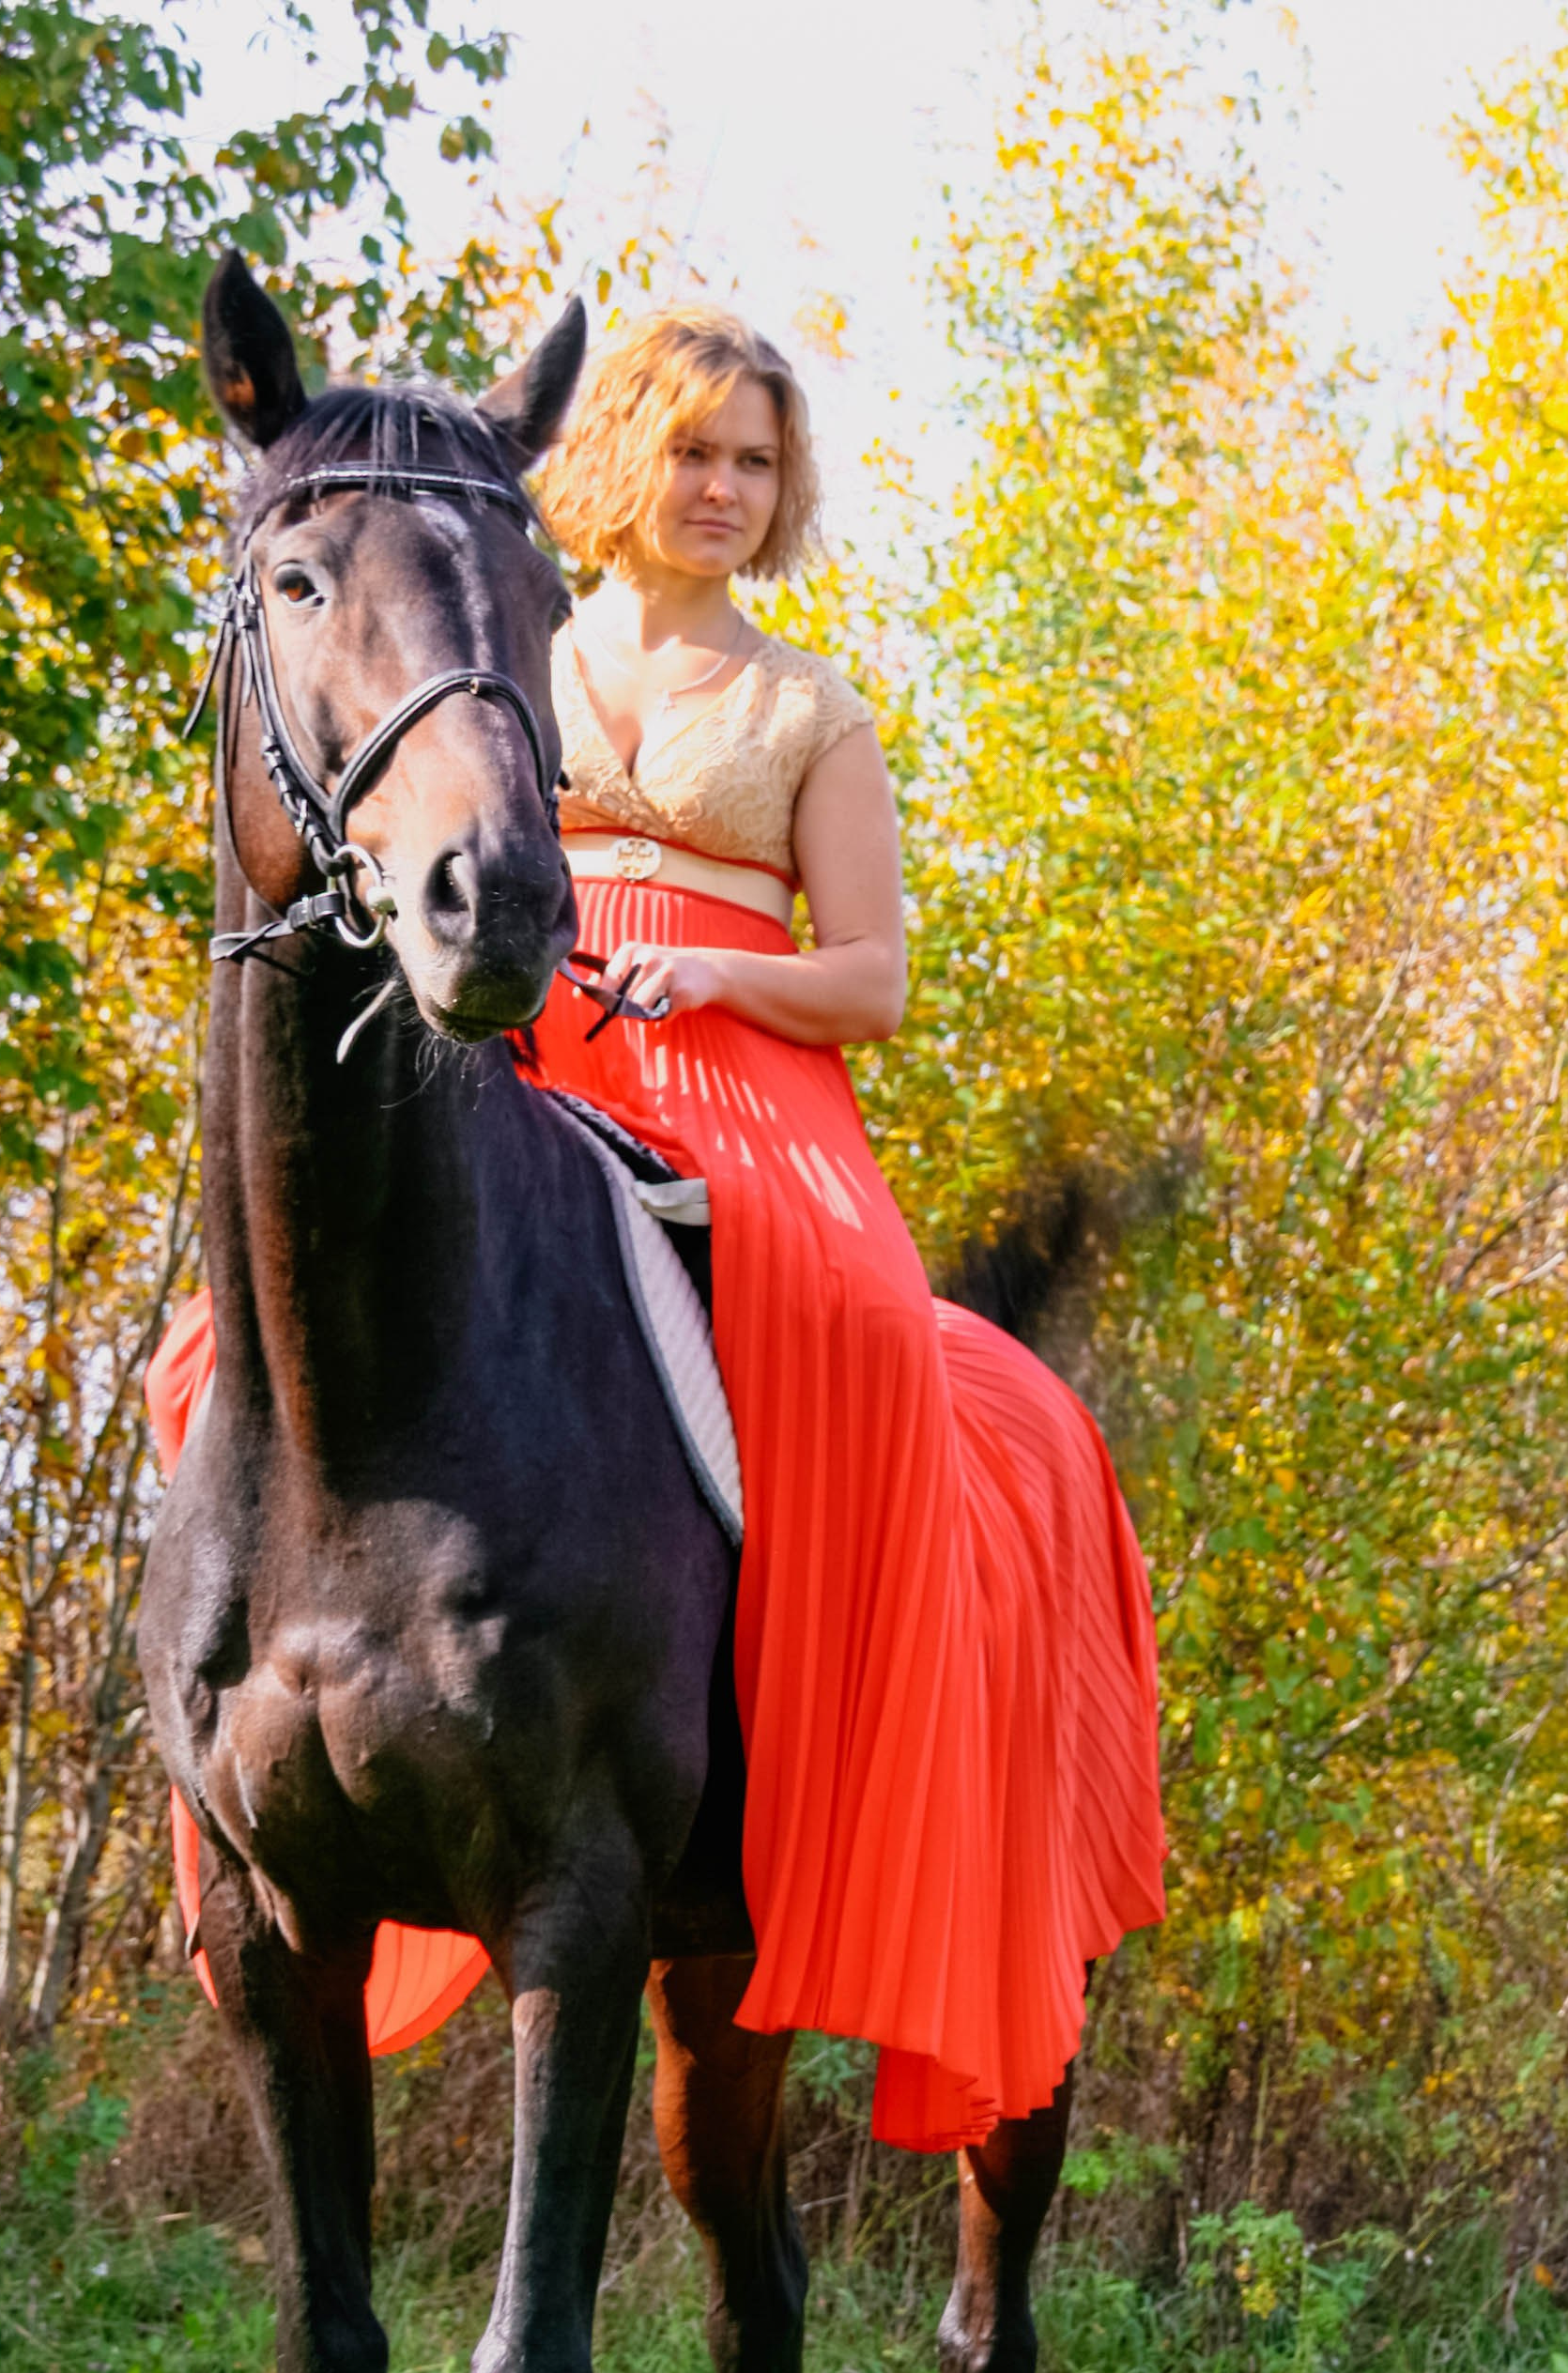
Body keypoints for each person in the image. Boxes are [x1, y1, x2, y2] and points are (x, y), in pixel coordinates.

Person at [515, 305, 1165, 2151]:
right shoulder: (522, 664)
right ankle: (244, 1832)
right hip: (530, 1067)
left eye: (754, 463)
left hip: (742, 1093)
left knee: (872, 1337)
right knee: (240, 1347)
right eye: (694, 450)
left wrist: (703, 967)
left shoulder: (808, 708)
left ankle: (845, 1799)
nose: (722, 490)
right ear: (623, 453)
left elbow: (868, 979)